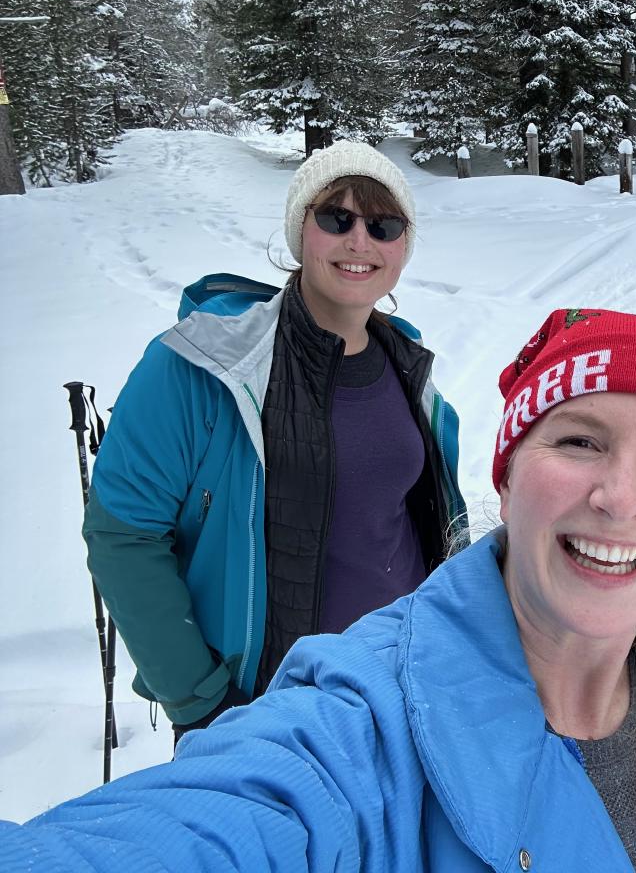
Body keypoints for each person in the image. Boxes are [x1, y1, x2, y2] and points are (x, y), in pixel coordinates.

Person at [2, 308, 636, 873]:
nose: (620, 497)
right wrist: (197, 693)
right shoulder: (363, 728)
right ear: (506, 482)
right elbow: (230, 817)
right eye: (579, 440)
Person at [81, 140, 467, 740]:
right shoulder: (203, 365)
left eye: (384, 225)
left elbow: (425, 524)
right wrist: (201, 703)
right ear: (300, 230)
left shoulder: (407, 363)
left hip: (401, 693)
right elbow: (123, 535)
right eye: (336, 218)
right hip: (267, 712)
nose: (359, 240)